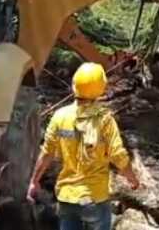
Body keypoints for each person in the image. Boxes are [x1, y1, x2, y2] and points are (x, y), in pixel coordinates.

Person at [26, 62, 139, 230]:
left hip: (67, 198)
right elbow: (118, 154)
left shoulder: (60, 116)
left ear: (74, 85)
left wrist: (34, 181)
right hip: (95, 198)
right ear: (101, 88)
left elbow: (46, 152)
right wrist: (132, 178)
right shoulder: (105, 119)